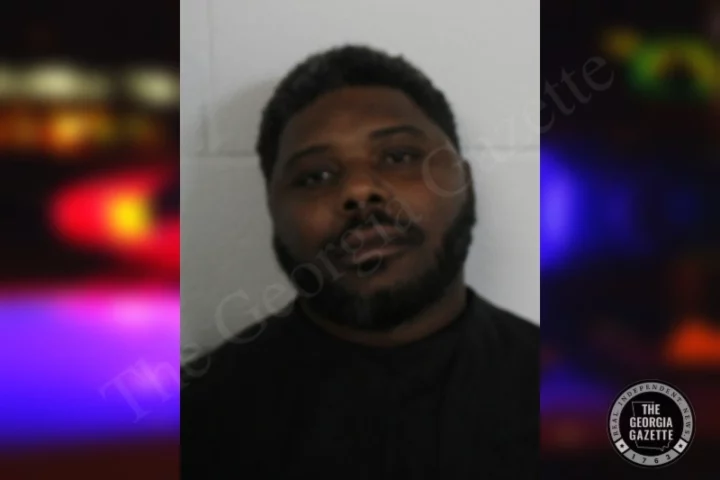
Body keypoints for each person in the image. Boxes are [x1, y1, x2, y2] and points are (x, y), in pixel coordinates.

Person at [182, 45, 539, 479]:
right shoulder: (193, 421)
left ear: (464, 181)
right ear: (273, 210)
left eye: (399, 156)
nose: (358, 190)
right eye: (315, 176)